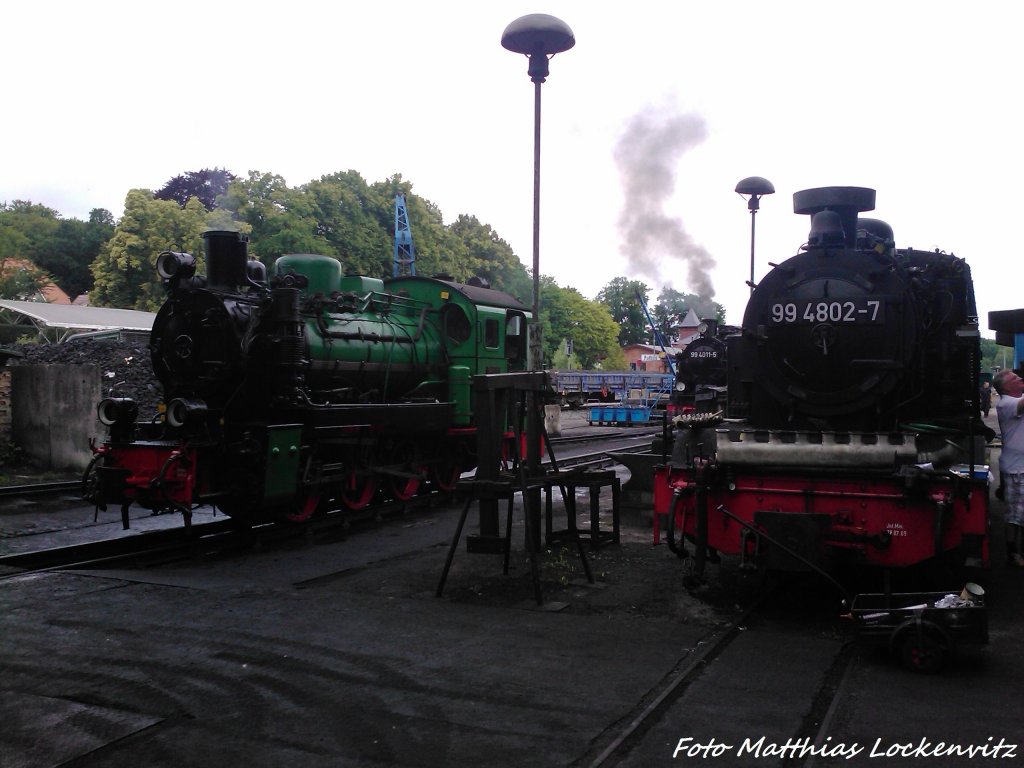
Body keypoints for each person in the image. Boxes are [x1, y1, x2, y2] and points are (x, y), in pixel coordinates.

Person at [993, 368, 1024, 566]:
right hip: (1016, 469)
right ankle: (1012, 553)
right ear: (1006, 386)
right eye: (1015, 377)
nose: (1020, 378)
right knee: (1015, 514)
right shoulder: (1006, 404)